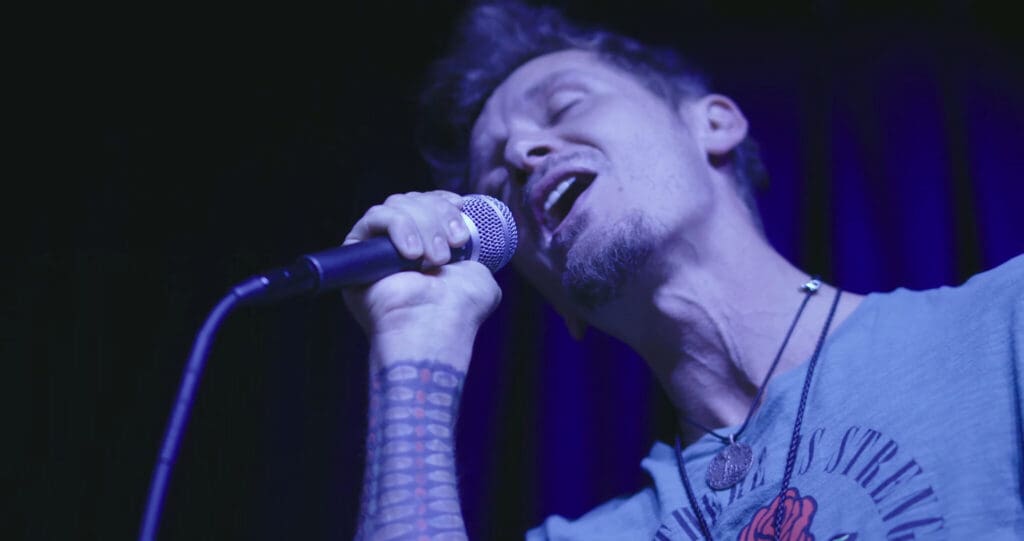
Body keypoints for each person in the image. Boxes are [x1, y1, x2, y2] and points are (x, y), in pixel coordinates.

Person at [344, 2, 1024, 539]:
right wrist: (410, 347)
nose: (522, 153)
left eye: (565, 105)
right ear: (557, 304)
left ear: (714, 125)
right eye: (495, 177)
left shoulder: (1003, 326)